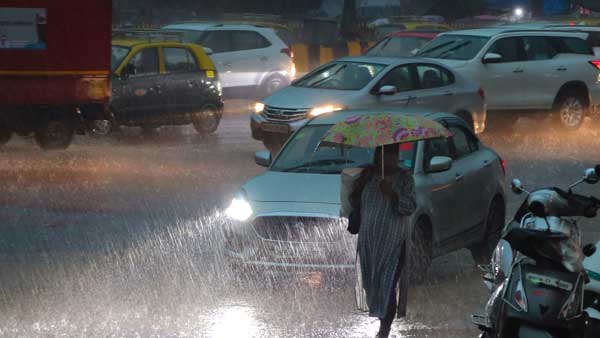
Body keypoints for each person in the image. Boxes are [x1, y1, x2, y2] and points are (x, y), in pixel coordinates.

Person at [349, 144, 416, 338]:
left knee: (387, 285)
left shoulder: (405, 178)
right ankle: (381, 322)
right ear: (379, 155)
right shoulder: (367, 175)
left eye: (394, 154)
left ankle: (384, 331)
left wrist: (393, 194)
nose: (391, 158)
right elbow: (354, 201)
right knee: (372, 286)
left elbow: (409, 206)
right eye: (387, 154)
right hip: (369, 243)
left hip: (393, 243)